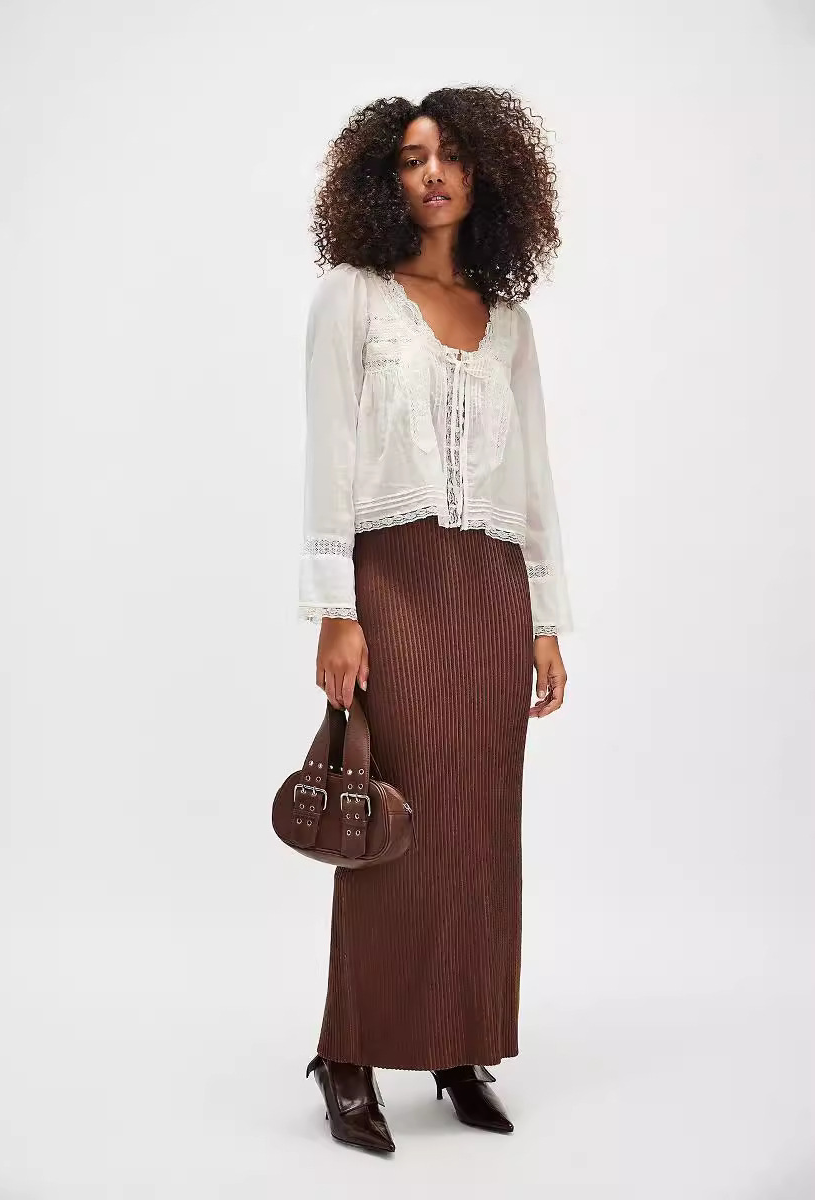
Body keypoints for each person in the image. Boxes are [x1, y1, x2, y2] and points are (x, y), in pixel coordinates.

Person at [297, 85, 573, 1153]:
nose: (433, 174)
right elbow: (330, 452)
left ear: (484, 174)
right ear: (386, 179)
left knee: (479, 827)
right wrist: (336, 608)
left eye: (451, 155)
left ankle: (459, 1046)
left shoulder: (511, 325)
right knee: (388, 822)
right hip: (395, 580)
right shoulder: (354, 299)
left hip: (491, 588)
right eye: (413, 158)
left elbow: (533, 477)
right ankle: (350, 1052)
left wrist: (544, 618)